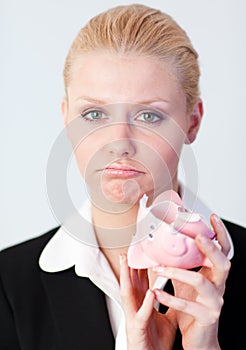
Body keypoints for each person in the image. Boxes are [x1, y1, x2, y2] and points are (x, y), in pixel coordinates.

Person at [0, 3, 245, 349]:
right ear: (67, 118)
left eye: (149, 116)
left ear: (192, 122)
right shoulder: (9, 286)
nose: (119, 144)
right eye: (95, 113)